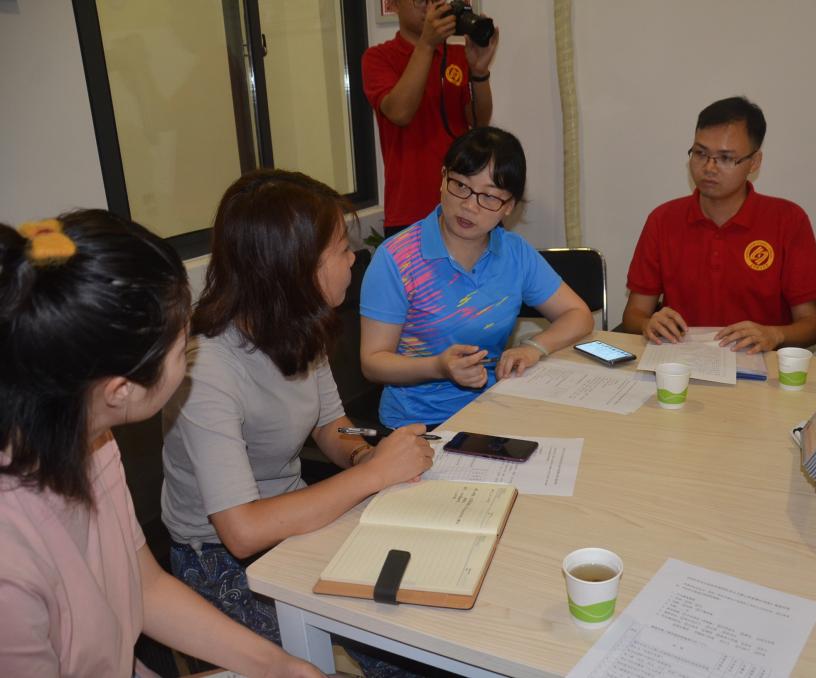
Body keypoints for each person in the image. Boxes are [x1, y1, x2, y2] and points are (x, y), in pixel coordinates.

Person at [0, 212, 322, 677]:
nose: (192, 355)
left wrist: (277, 664)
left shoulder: (90, 436)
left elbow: (142, 585)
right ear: (120, 390)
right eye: (182, 347)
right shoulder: (10, 560)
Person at [161, 170, 434, 645]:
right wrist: (373, 475)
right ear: (295, 269)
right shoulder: (206, 368)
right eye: (342, 250)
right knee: (366, 642)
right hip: (216, 556)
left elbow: (332, 425)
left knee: (410, 615)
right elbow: (242, 531)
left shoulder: (298, 325)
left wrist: (364, 454)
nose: (353, 258)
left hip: (298, 519)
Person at [360, 126, 594, 429]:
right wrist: (438, 366)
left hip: (493, 409)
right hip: (418, 424)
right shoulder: (397, 258)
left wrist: (533, 348)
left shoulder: (515, 252)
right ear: (442, 178)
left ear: (509, 207)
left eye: (490, 197)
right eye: (460, 185)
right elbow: (373, 362)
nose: (469, 205)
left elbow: (577, 314)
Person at [622, 96, 816, 353]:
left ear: (754, 162)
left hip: (759, 363)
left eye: (726, 158)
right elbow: (634, 314)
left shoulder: (788, 220)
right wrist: (648, 323)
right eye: (700, 153)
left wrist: (774, 334)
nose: (709, 168)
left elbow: (811, 325)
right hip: (681, 360)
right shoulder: (663, 220)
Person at [363, 0, 498, 238]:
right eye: (421, 1)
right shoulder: (378, 57)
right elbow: (400, 113)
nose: (430, 7)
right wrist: (426, 44)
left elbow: (479, 121)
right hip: (410, 210)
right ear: (394, 4)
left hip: (466, 205)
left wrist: (479, 73)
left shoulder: (457, 54)